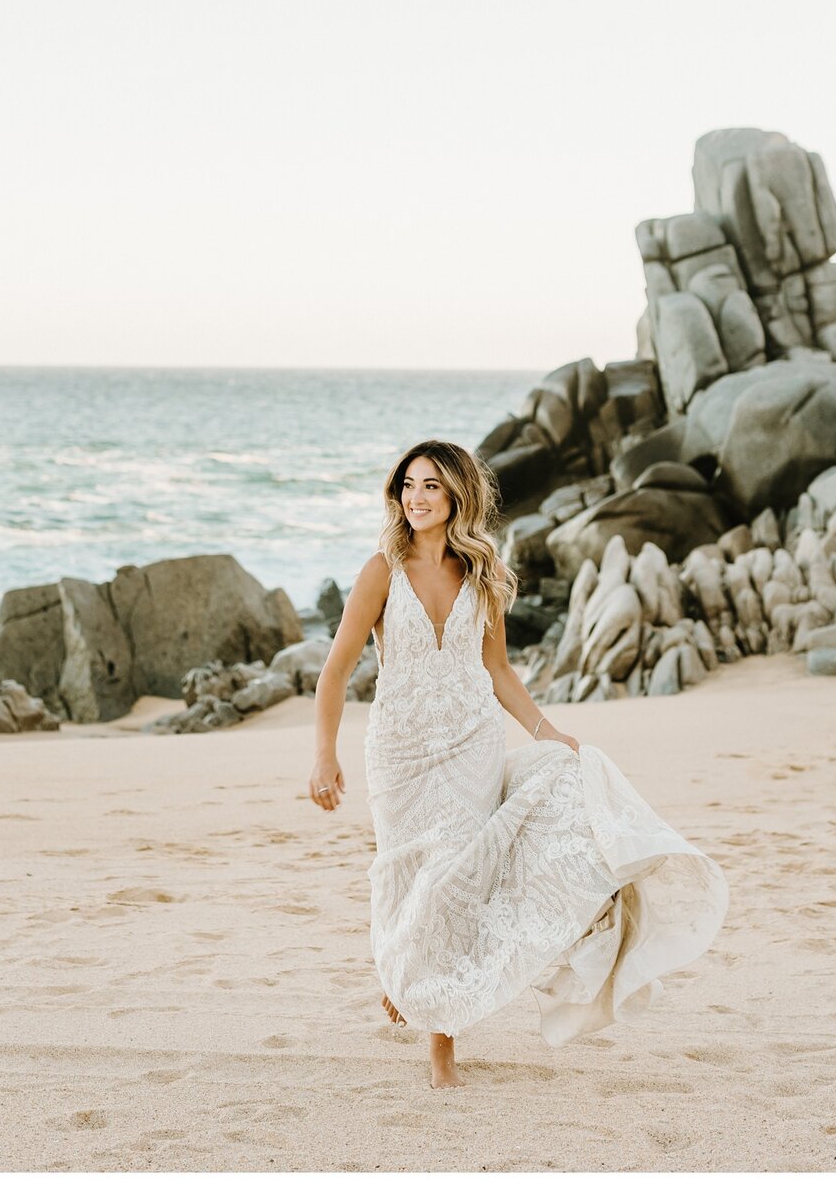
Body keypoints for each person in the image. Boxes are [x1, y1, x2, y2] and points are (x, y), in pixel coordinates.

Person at [308, 438, 727, 1088]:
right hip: (401, 752)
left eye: (431, 487)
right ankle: (405, 973)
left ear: (456, 499)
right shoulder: (380, 571)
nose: (416, 497)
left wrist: (546, 729)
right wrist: (324, 754)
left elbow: (497, 668)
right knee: (408, 876)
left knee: (458, 874)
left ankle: (439, 1041)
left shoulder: (483, 570)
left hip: (471, 743)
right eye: (409, 485)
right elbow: (335, 670)